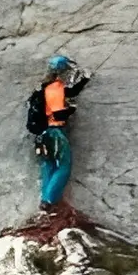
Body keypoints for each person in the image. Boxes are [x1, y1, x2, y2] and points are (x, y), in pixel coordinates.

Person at [36, 55, 90, 212]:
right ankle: (49, 201)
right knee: (64, 166)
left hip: (43, 134)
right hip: (55, 132)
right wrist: (71, 109)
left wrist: (84, 80)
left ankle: (45, 200)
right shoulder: (56, 88)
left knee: (49, 166)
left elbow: (72, 91)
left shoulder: (44, 88)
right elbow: (59, 114)